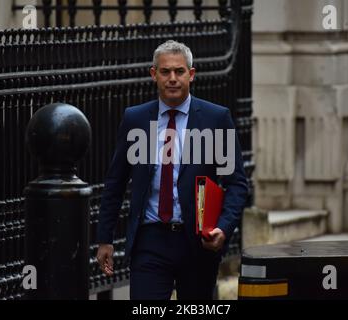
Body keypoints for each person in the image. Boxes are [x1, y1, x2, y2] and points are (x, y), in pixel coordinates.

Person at [96, 40, 248, 300]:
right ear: (154, 75)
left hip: (198, 243)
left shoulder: (215, 118)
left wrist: (223, 227)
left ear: (192, 74)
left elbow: (236, 183)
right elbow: (116, 182)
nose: (173, 79)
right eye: (165, 72)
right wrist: (105, 238)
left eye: (179, 71)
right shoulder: (136, 119)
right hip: (150, 240)